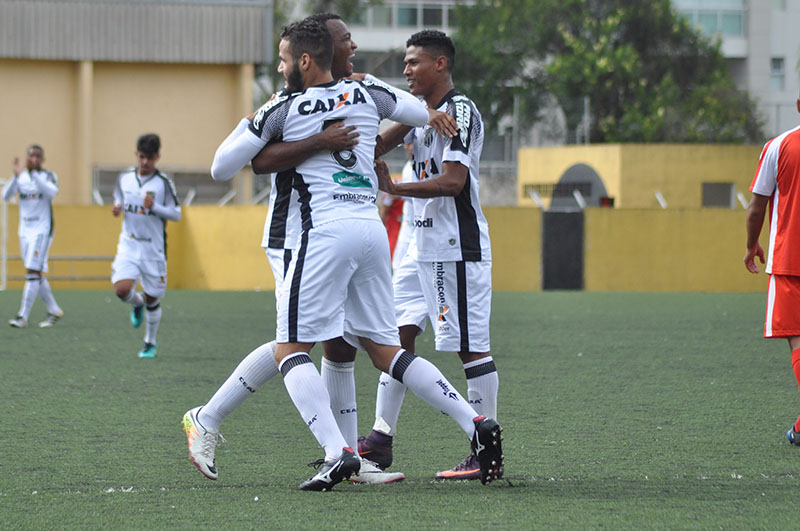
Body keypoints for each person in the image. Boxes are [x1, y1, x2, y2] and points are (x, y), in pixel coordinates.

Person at [206, 18, 502, 491]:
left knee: (290, 347)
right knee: (384, 350)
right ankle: (473, 423)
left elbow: (226, 167)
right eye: (348, 42)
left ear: (304, 60)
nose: (355, 47)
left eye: (283, 60)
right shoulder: (368, 96)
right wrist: (426, 116)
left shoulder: (286, 105)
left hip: (321, 234)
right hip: (372, 232)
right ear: (332, 53)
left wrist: (299, 133)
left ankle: (335, 452)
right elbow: (410, 108)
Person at [182, 13, 405, 486]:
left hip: (332, 236)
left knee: (339, 343)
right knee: (294, 343)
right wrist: (319, 139)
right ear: (321, 50)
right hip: (294, 235)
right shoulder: (290, 102)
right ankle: (206, 417)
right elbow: (235, 163)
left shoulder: (355, 94)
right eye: (346, 39)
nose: (354, 46)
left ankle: (349, 461)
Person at [363, 30, 500, 481]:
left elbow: (453, 182)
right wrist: (414, 114)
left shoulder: (460, 111)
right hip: (418, 248)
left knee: (468, 348)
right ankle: (380, 441)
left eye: (413, 62)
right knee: (393, 337)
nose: (406, 70)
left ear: (440, 64)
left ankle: (485, 452)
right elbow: (377, 146)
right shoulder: (423, 114)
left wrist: (396, 188)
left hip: (454, 247)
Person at [745, 93, 800, 445]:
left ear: (798, 105)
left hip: (790, 261)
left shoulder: (779, 146)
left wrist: (751, 246)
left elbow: (756, 207)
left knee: (798, 339)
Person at [110, 133, 181, 359]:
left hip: (153, 249)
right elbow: (117, 198)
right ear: (136, 155)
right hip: (129, 244)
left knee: (153, 297)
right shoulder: (125, 178)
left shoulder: (163, 183)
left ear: (157, 157)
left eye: (150, 158)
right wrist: (117, 207)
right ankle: (136, 302)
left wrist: (155, 207)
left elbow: (176, 214)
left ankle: (150, 343)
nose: (145, 162)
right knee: (121, 290)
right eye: (141, 157)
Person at [3, 145, 64, 328]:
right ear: (27, 158)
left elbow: (52, 192)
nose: (34, 159)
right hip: (25, 231)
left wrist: (35, 175)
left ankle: (22, 317)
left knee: (32, 270)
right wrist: (15, 176)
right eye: (31, 156)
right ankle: (53, 309)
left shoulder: (48, 176)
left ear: (42, 159)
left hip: (42, 230)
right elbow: (5, 195)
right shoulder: (20, 178)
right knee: (35, 272)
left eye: (38, 157)